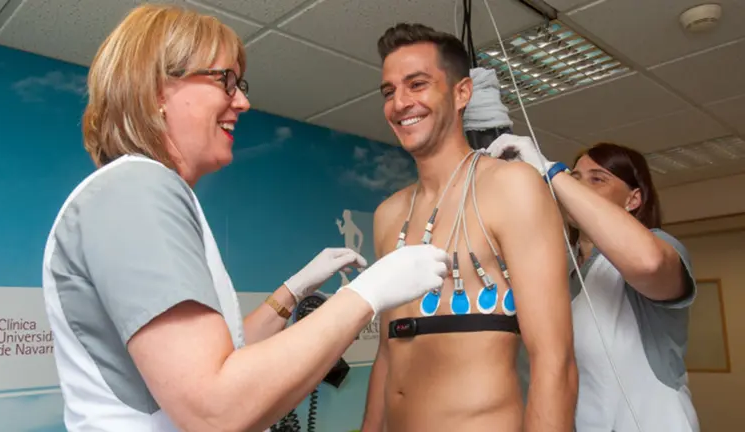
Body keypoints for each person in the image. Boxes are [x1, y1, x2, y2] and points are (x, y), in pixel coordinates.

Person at [40, 5, 450, 432]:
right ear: (158, 90)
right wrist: (368, 293)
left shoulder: (139, 192)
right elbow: (215, 408)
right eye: (226, 81)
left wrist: (293, 290)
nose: (242, 101)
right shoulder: (135, 190)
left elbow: (222, 360)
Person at [360, 23, 578, 432]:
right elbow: (388, 354)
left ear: (462, 93)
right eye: (389, 91)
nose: (400, 103)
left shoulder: (511, 187)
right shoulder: (387, 215)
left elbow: (555, 362)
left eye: (417, 84)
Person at [485, 138, 700, 431]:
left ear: (633, 199)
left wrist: (551, 171)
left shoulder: (658, 247)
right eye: (575, 178)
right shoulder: (559, 269)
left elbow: (649, 263)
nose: (580, 186)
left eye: (597, 179)